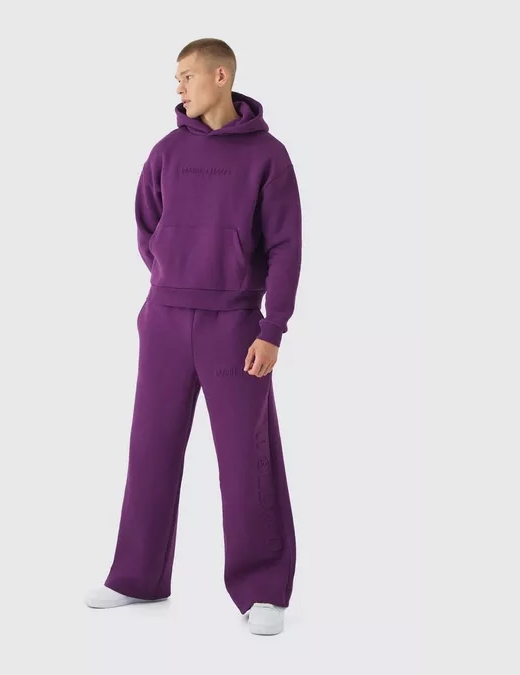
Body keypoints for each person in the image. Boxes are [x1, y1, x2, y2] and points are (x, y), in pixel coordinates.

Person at [85, 38, 303, 636]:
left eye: (187, 75)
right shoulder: (166, 151)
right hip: (165, 320)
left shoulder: (268, 156)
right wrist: (171, 282)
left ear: (221, 75)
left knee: (246, 458)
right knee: (150, 448)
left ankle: (263, 591)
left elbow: (286, 247)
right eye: (177, 77)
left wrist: (272, 328)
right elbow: (146, 225)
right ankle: (137, 577)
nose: (179, 87)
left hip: (235, 325)